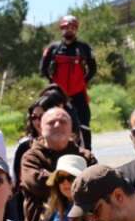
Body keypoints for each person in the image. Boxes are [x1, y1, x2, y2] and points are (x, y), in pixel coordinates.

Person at [18, 106, 97, 221]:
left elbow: (96, 184)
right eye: (51, 122)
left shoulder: (85, 155)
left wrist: (50, 175)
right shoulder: (31, 158)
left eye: (63, 122)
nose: (57, 125)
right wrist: (77, 178)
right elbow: (39, 185)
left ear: (71, 127)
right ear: (41, 127)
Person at [40, 14, 97, 147]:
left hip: (78, 93)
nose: (69, 30)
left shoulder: (84, 48)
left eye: (72, 27)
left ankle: (87, 152)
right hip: (57, 95)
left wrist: (83, 81)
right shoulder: (53, 48)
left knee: (84, 123)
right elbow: (43, 69)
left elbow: (93, 68)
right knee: (53, 121)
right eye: (66, 27)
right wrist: (53, 84)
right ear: (61, 29)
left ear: (76, 29)